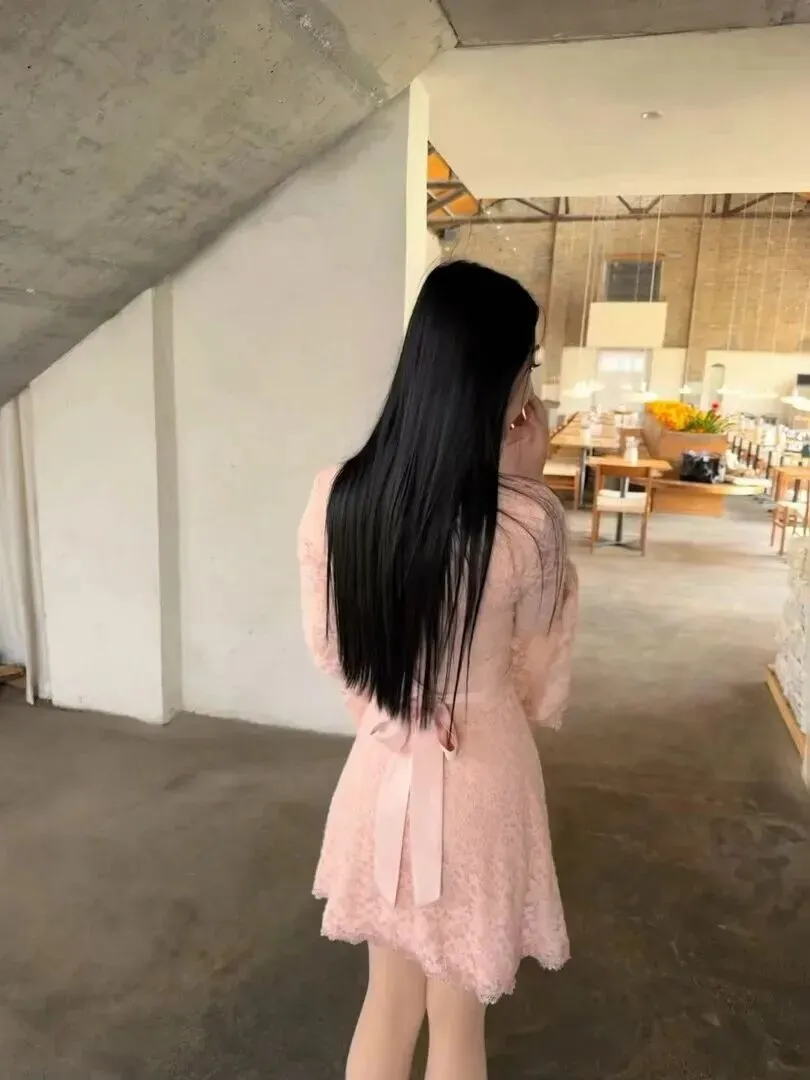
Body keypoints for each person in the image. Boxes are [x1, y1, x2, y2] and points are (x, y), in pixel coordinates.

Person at [298, 260, 578, 1080]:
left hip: (380, 769)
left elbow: (333, 650)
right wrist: (526, 487)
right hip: (483, 777)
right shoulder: (527, 522)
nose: (532, 383)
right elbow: (540, 670)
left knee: (386, 1006)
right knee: (459, 1027)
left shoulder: (337, 496)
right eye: (528, 363)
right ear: (499, 379)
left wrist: (387, 711)